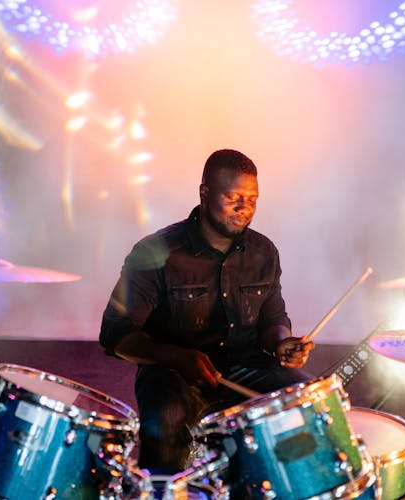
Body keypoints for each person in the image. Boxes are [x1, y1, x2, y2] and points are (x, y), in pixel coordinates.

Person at [100, 148, 315, 473]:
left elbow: (273, 318)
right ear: (205, 193)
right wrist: (176, 356)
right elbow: (114, 332)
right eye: (234, 197)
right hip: (172, 373)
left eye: (253, 199)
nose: (245, 209)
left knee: (306, 404)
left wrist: (282, 342)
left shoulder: (264, 252)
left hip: (246, 367)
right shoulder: (156, 251)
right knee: (166, 422)